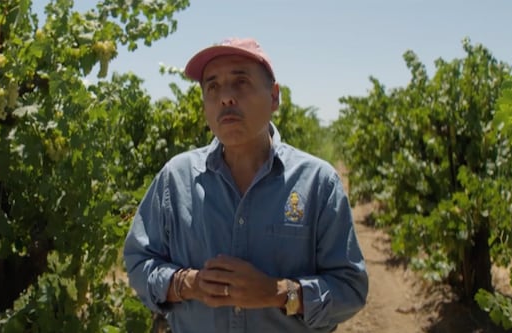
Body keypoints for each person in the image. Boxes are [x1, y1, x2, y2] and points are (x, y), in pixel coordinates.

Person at [123, 37, 368, 333]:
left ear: (274, 97)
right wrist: (188, 284)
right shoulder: (176, 179)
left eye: (240, 82)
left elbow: (351, 289)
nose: (225, 97)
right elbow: (138, 262)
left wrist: (279, 293)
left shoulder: (318, 182)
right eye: (212, 86)